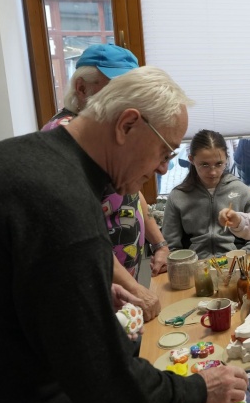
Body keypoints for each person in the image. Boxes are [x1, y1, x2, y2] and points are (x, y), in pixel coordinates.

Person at [0, 67, 249, 403]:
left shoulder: (24, 157)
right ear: (127, 125)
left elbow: (10, 289)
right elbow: (111, 391)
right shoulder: (63, 204)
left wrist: (90, 290)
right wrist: (200, 389)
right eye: (164, 151)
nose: (161, 167)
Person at [42, 43, 170, 322]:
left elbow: (133, 195)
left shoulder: (112, 132)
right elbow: (82, 233)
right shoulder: (68, 137)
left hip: (123, 284)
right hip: (97, 289)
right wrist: (134, 287)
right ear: (81, 88)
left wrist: (159, 243)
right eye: (115, 89)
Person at [162, 129, 250, 258]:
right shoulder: (178, 197)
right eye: (204, 165)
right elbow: (169, 247)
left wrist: (239, 257)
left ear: (227, 160)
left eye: (219, 164)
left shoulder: (241, 191)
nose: (213, 172)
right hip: (195, 267)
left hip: (235, 264)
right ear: (191, 160)